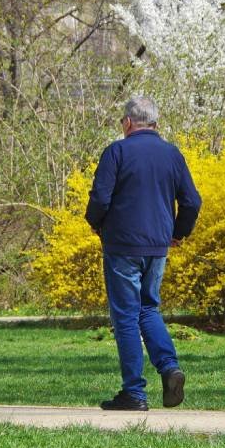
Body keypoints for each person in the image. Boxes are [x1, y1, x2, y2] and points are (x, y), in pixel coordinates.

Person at [85, 96, 202, 410]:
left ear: (126, 123)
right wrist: (178, 234)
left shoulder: (117, 152)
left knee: (125, 317)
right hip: (157, 247)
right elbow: (192, 202)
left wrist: (96, 224)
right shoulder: (172, 155)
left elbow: (100, 197)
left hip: (122, 246)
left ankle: (134, 393)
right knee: (148, 309)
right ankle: (169, 367)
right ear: (156, 124)